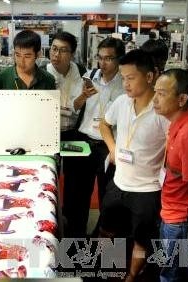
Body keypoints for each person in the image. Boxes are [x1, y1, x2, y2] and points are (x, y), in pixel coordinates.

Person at [99, 49, 168, 281]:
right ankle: (107, 269)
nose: (125, 84)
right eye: (123, 78)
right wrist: (112, 147)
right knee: (107, 229)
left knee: (141, 239)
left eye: (131, 78)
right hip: (118, 182)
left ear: (149, 77)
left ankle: (131, 276)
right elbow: (104, 125)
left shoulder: (162, 112)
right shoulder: (121, 102)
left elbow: (174, 145)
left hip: (147, 189)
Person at [62, 37, 125, 238]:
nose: (103, 63)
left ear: (119, 59)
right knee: (76, 196)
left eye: (109, 58)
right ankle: (75, 240)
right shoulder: (90, 76)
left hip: (108, 146)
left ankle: (102, 240)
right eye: (100, 58)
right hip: (82, 141)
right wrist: (82, 97)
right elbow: (73, 107)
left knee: (109, 198)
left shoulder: (125, 84)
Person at [153, 68, 188, 282]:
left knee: (172, 274)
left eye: (161, 93)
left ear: (182, 99)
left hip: (181, 217)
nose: (155, 99)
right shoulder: (179, 124)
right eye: (155, 92)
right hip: (173, 211)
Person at [45, 31, 86, 140]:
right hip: (48, 133)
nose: (56, 54)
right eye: (54, 49)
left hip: (75, 133)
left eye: (63, 50)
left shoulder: (81, 72)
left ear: (72, 54)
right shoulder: (42, 73)